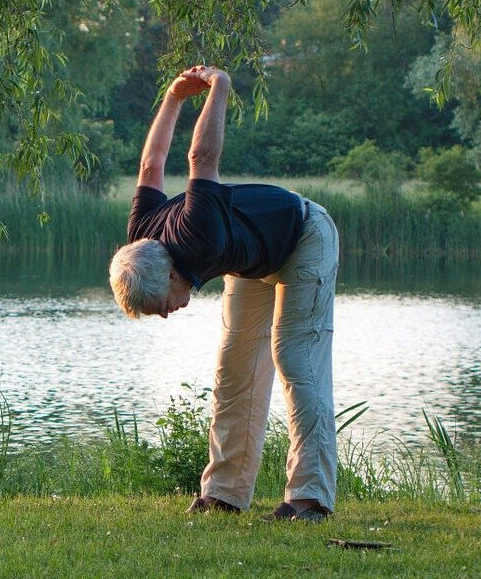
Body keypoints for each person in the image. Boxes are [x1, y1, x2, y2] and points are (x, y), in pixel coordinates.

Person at [108, 65, 340, 522]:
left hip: (304, 236)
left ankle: (310, 498)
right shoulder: (141, 236)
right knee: (234, 368)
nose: (168, 315)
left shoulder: (197, 235)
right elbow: (150, 165)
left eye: (161, 308)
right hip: (252, 258)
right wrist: (172, 98)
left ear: (172, 276)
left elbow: (201, 158)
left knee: (294, 357)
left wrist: (220, 87)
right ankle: (224, 493)